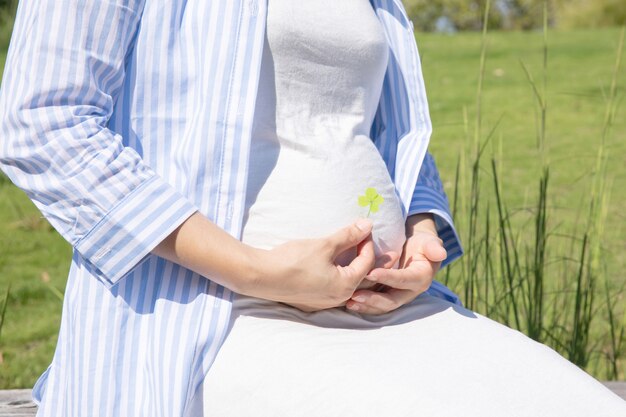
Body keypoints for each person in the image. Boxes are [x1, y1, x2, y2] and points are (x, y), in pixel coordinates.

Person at [0, 0, 624, 416]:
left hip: (395, 313)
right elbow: (41, 124)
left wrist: (420, 230)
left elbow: (379, 131)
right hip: (217, 318)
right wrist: (256, 271)